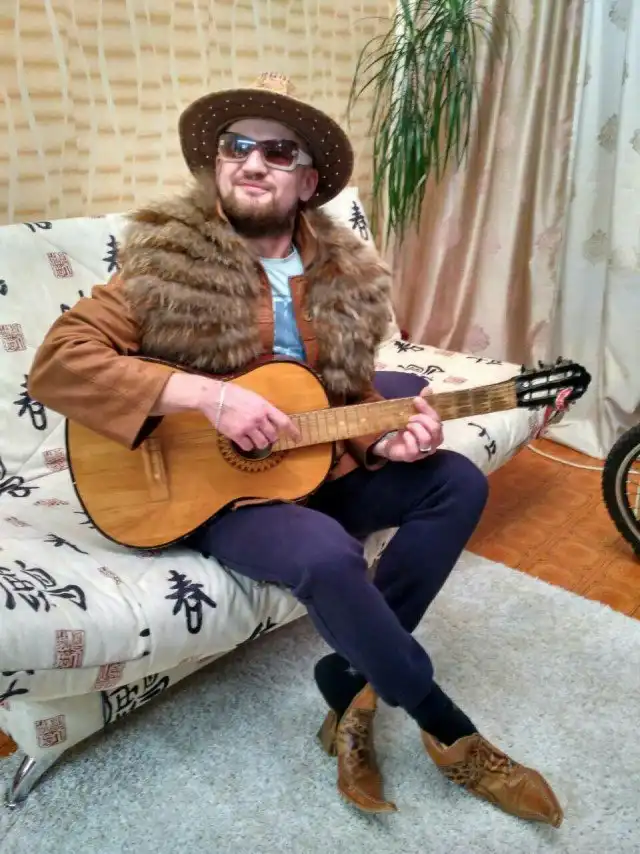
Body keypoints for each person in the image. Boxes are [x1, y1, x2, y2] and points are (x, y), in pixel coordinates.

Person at [28, 72, 562, 827]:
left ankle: (349, 678)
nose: (252, 162)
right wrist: (206, 396)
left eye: (277, 152)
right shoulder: (167, 264)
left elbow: (342, 399)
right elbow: (59, 363)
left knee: (456, 483)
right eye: (236, 146)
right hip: (212, 491)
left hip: (313, 465)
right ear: (218, 164)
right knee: (325, 552)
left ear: (308, 181)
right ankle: (447, 727)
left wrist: (385, 437)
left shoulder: (346, 277)